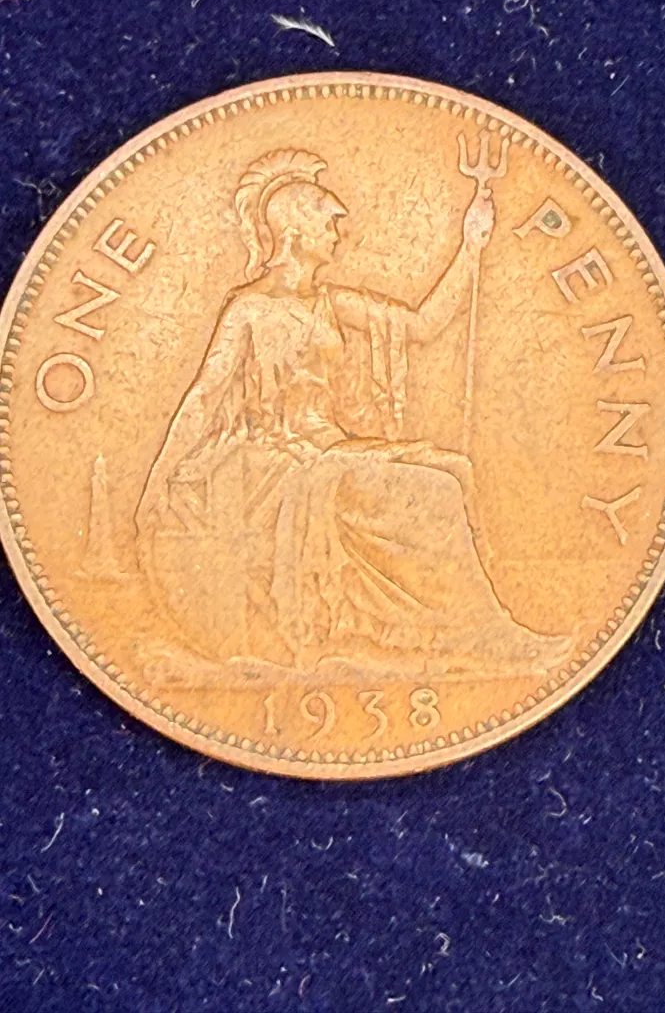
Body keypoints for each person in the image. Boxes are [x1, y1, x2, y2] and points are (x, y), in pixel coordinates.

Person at [135, 148, 568, 675]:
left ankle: (474, 629)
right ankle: (476, 637)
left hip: (331, 449)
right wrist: (159, 476)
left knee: (454, 468)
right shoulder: (247, 309)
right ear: (294, 231)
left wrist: (470, 247)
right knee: (436, 490)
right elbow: (205, 396)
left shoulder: (331, 302)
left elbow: (423, 325)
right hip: (282, 463)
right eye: (329, 220)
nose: (339, 232)